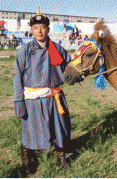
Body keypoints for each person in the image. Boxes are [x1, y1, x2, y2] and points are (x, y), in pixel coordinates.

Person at [14, 7, 72, 175]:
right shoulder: (24, 51)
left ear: (48, 29)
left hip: (54, 97)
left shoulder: (58, 49)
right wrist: (19, 101)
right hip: (33, 99)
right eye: (35, 27)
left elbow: (69, 67)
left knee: (58, 128)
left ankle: (61, 157)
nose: (39, 30)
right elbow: (18, 77)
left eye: (42, 27)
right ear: (31, 30)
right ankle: (27, 159)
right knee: (30, 130)